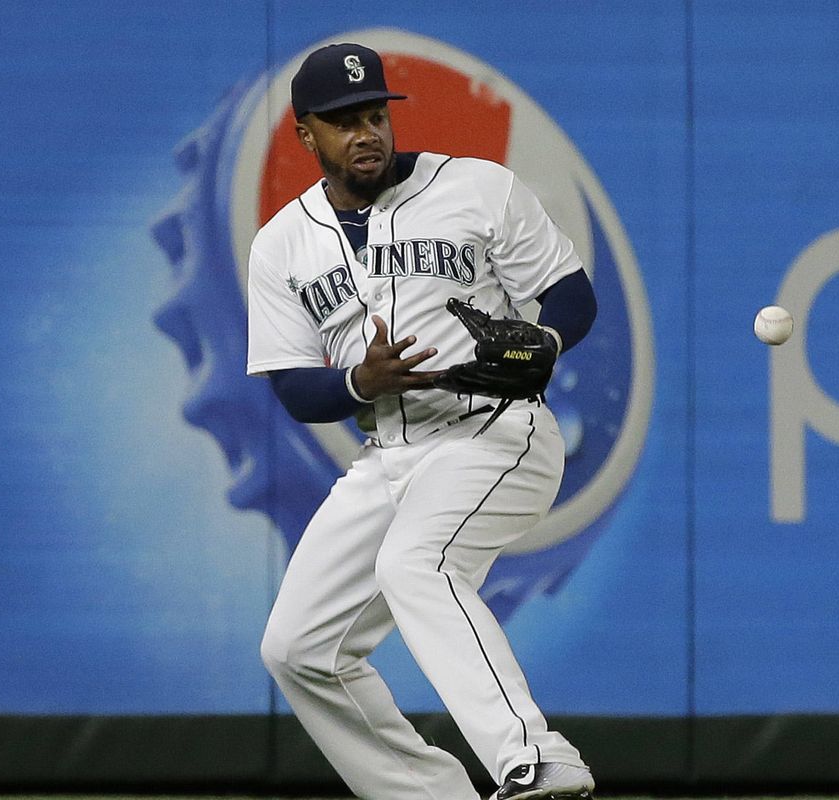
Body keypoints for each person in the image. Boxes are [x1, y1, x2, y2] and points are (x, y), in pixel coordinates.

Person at [248, 42, 598, 800]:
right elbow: (295, 389)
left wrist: (547, 339)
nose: (366, 131)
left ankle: (537, 758)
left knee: (415, 564)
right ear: (306, 134)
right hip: (392, 452)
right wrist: (357, 380)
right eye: (344, 121)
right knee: (298, 647)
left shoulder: (477, 188)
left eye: (375, 113)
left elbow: (571, 294)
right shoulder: (281, 246)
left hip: (495, 430)